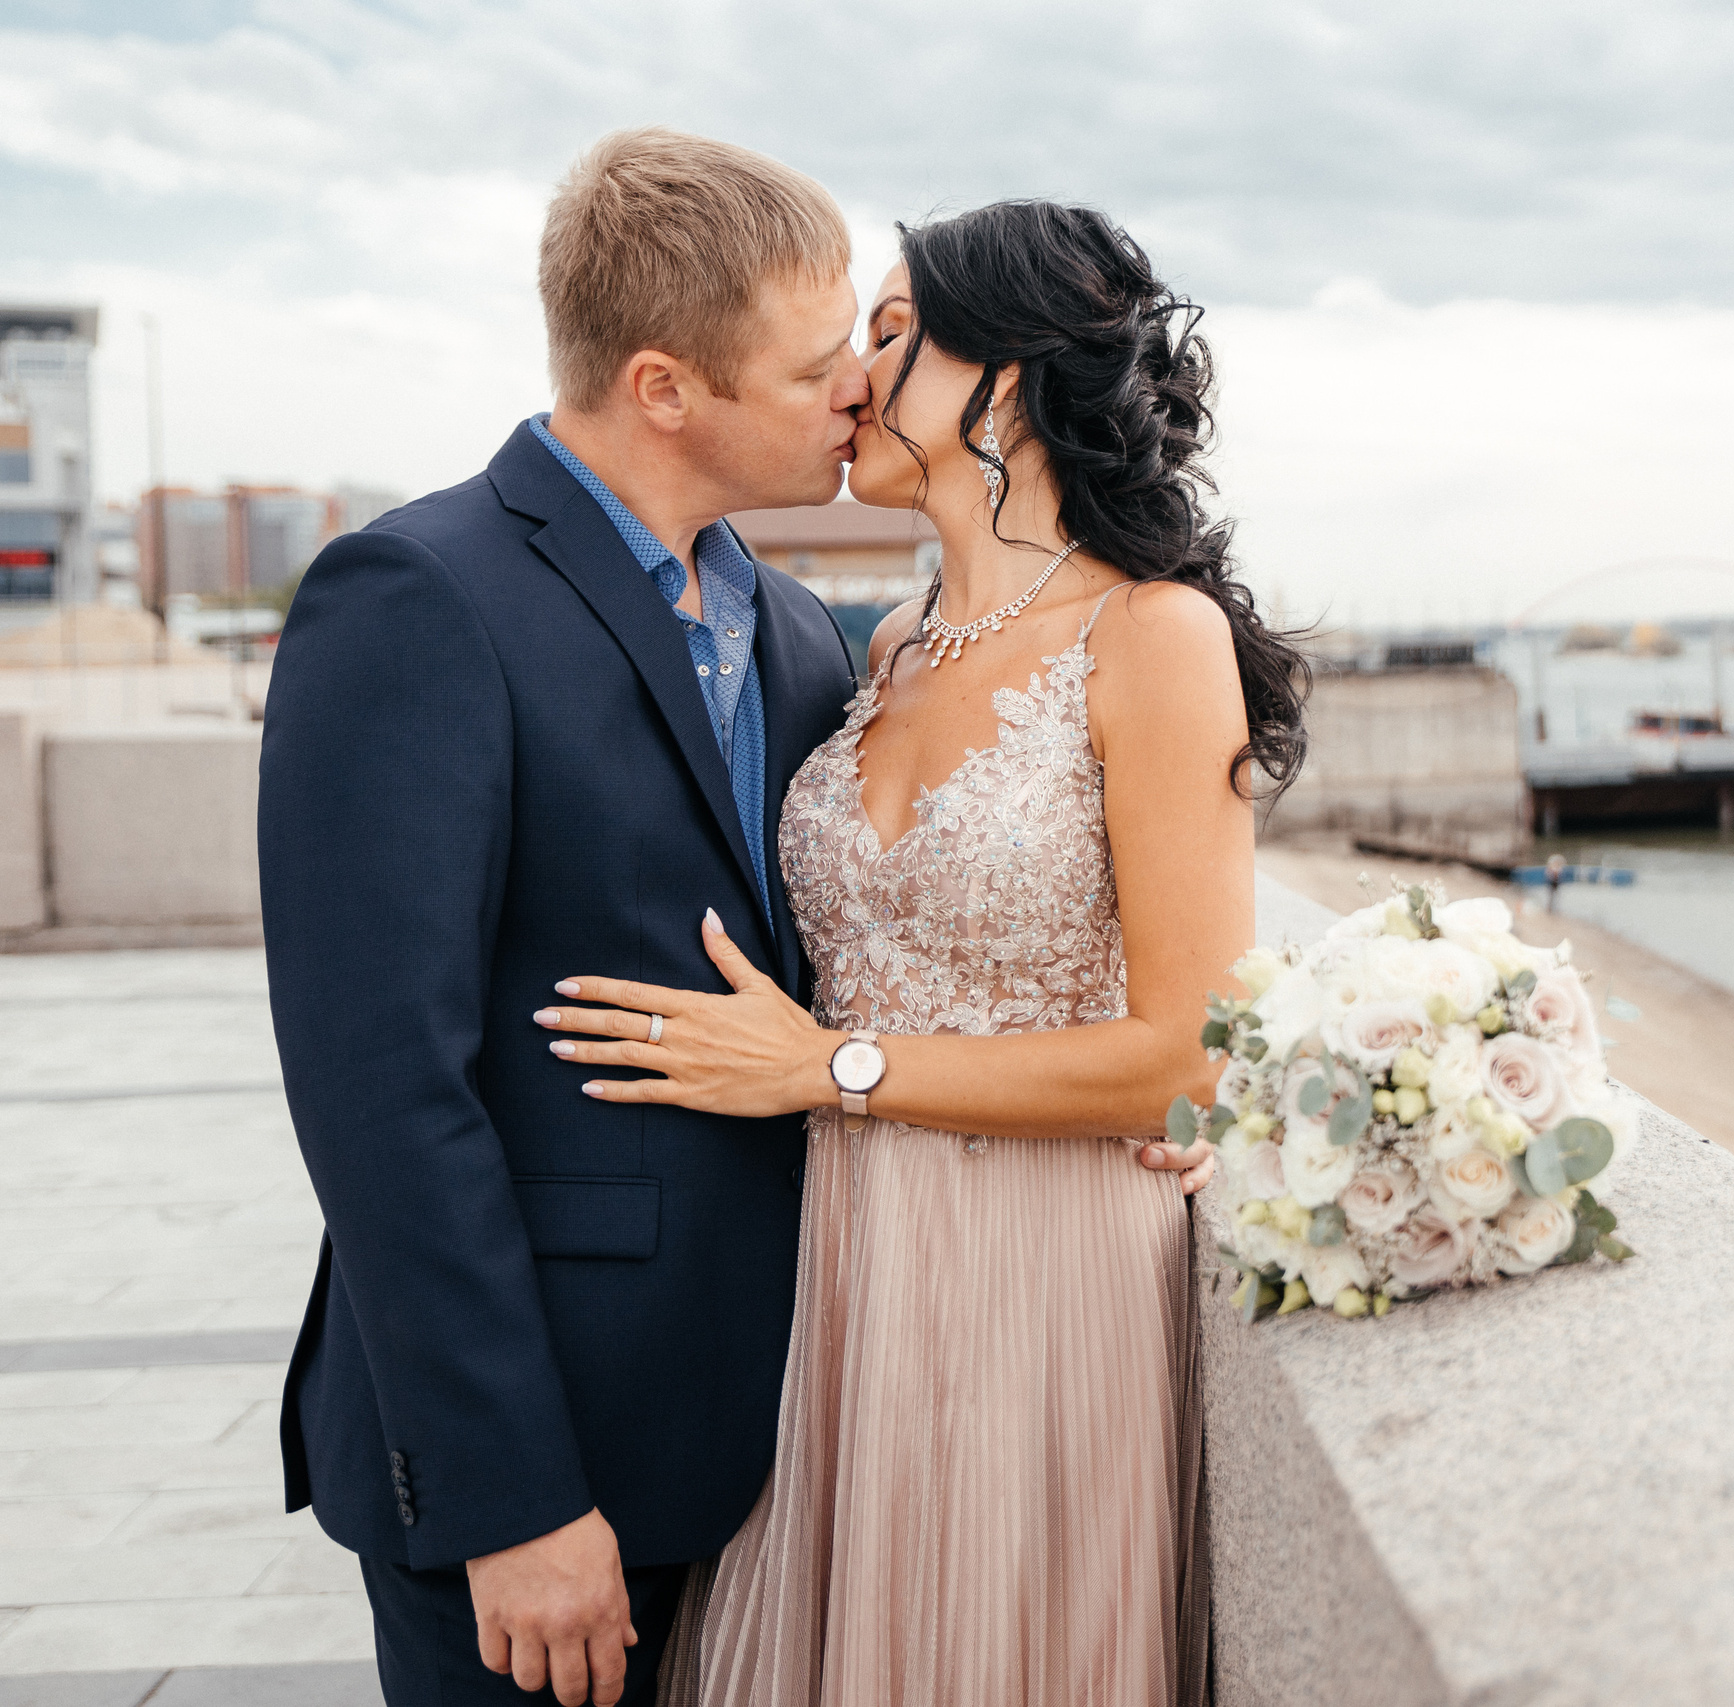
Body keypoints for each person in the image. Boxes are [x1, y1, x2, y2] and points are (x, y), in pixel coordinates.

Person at [258, 135, 1216, 1707]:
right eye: (818, 358)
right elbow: (377, 1091)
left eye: (876, 341)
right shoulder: (418, 595)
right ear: (664, 388)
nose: (855, 386)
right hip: (540, 1465)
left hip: (801, 1413)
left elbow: (951, 946)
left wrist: (1184, 1099)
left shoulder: (806, 634)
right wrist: (511, 1499)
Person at [533, 200, 1307, 1706]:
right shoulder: (884, 648)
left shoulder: (1154, 636)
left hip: (1042, 1263)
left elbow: (1190, 1056)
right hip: (837, 1260)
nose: (850, 377)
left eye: (890, 335)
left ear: (1003, 379)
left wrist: (830, 1068)